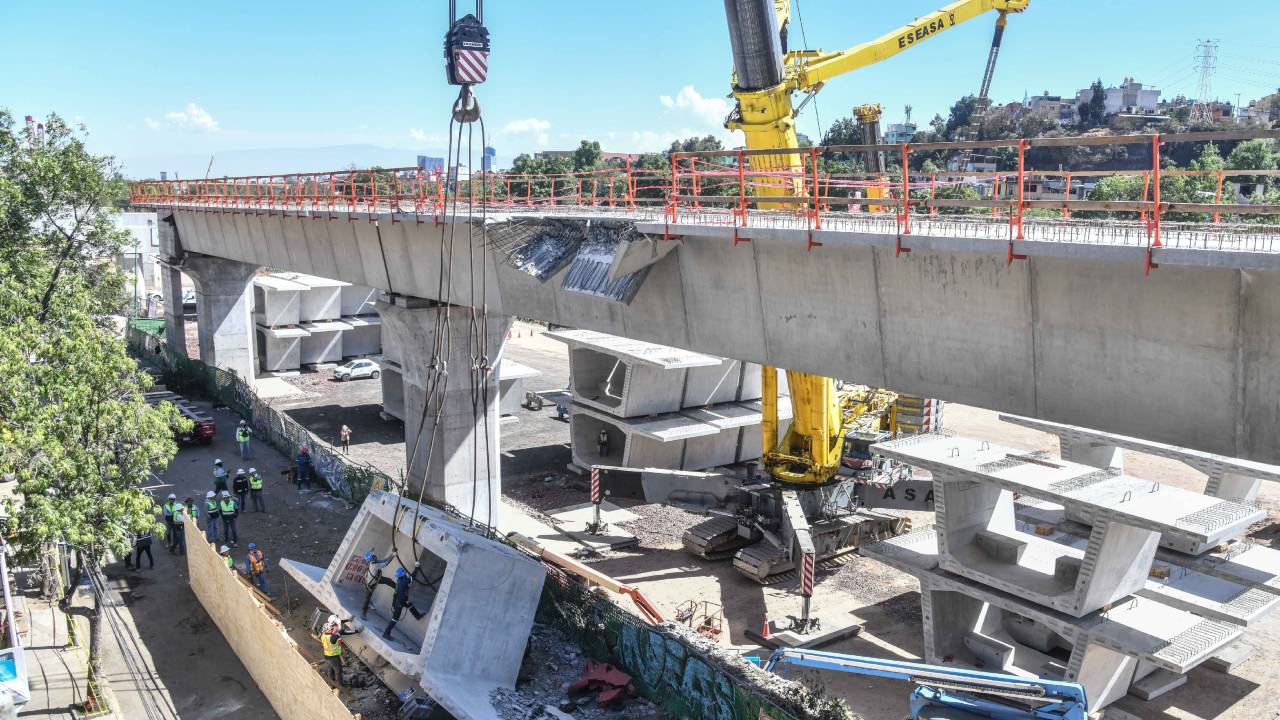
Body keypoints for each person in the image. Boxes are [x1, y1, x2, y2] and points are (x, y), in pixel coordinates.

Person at [381, 567, 426, 640]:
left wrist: (393, 604)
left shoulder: (399, 581)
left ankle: (417, 616)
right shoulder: (404, 581)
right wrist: (416, 567)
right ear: (403, 574)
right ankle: (386, 633)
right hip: (400, 603)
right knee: (395, 619)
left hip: (399, 601)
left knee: (410, 605)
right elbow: (412, 577)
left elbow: (395, 594)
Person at [320, 615, 361, 687]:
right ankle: (340, 686)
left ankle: (331, 684)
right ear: (330, 630)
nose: (334, 628)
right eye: (332, 628)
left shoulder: (323, 635)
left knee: (330, 670)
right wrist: (357, 631)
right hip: (334, 657)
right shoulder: (332, 638)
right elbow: (341, 631)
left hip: (327, 656)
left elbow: (335, 624)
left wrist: (347, 620)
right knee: (338, 671)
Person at [360, 551, 394, 619]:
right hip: (370, 584)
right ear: (371, 559)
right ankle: (363, 613)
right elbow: (386, 563)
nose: (375, 556)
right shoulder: (374, 565)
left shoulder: (373, 562)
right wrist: (393, 555)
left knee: (388, 581)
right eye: (373, 556)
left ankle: (397, 587)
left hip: (375, 579)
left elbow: (383, 560)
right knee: (367, 599)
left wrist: (392, 553)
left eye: (374, 556)